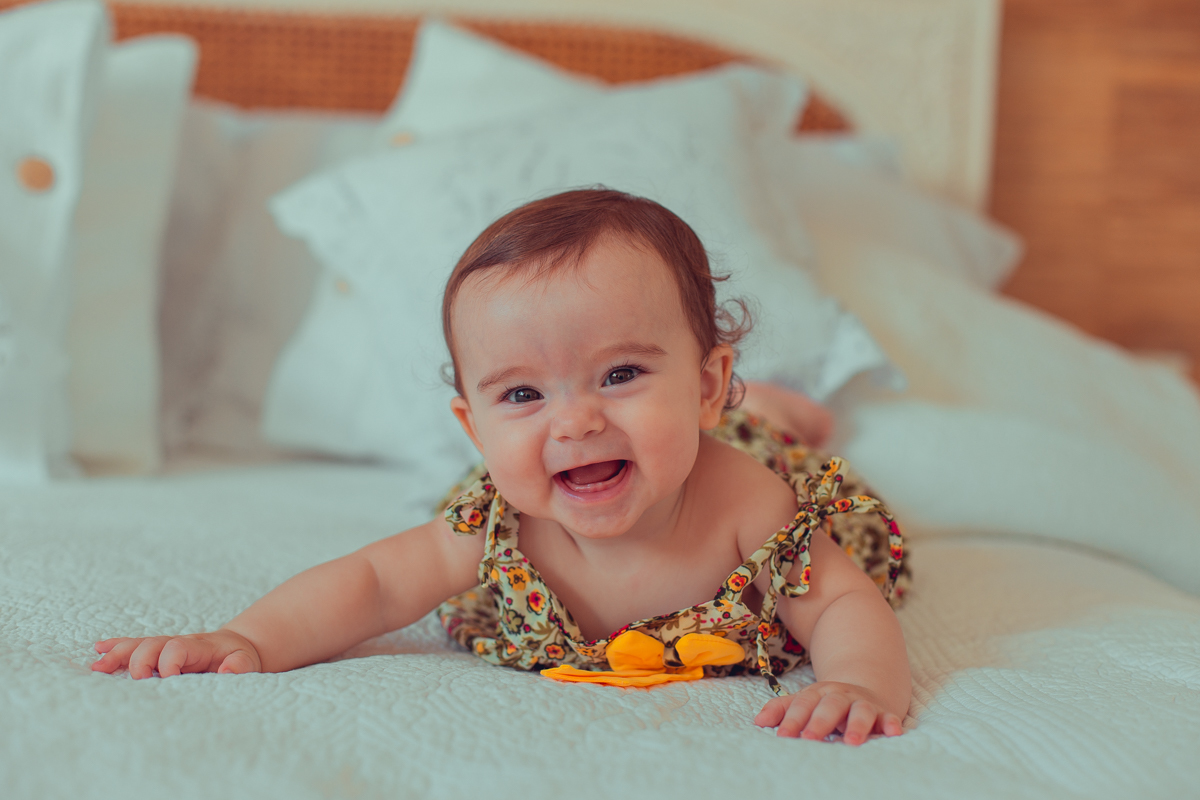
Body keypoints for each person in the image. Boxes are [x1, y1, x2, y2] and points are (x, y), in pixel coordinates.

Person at [92, 189, 911, 744]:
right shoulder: (499, 521)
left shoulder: (748, 505)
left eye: (621, 374)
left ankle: (765, 406)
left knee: (769, 437)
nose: (576, 419)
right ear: (474, 427)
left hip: (737, 445)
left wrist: (862, 684)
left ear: (703, 384)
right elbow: (375, 582)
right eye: (521, 393)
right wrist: (249, 639)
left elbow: (841, 599)